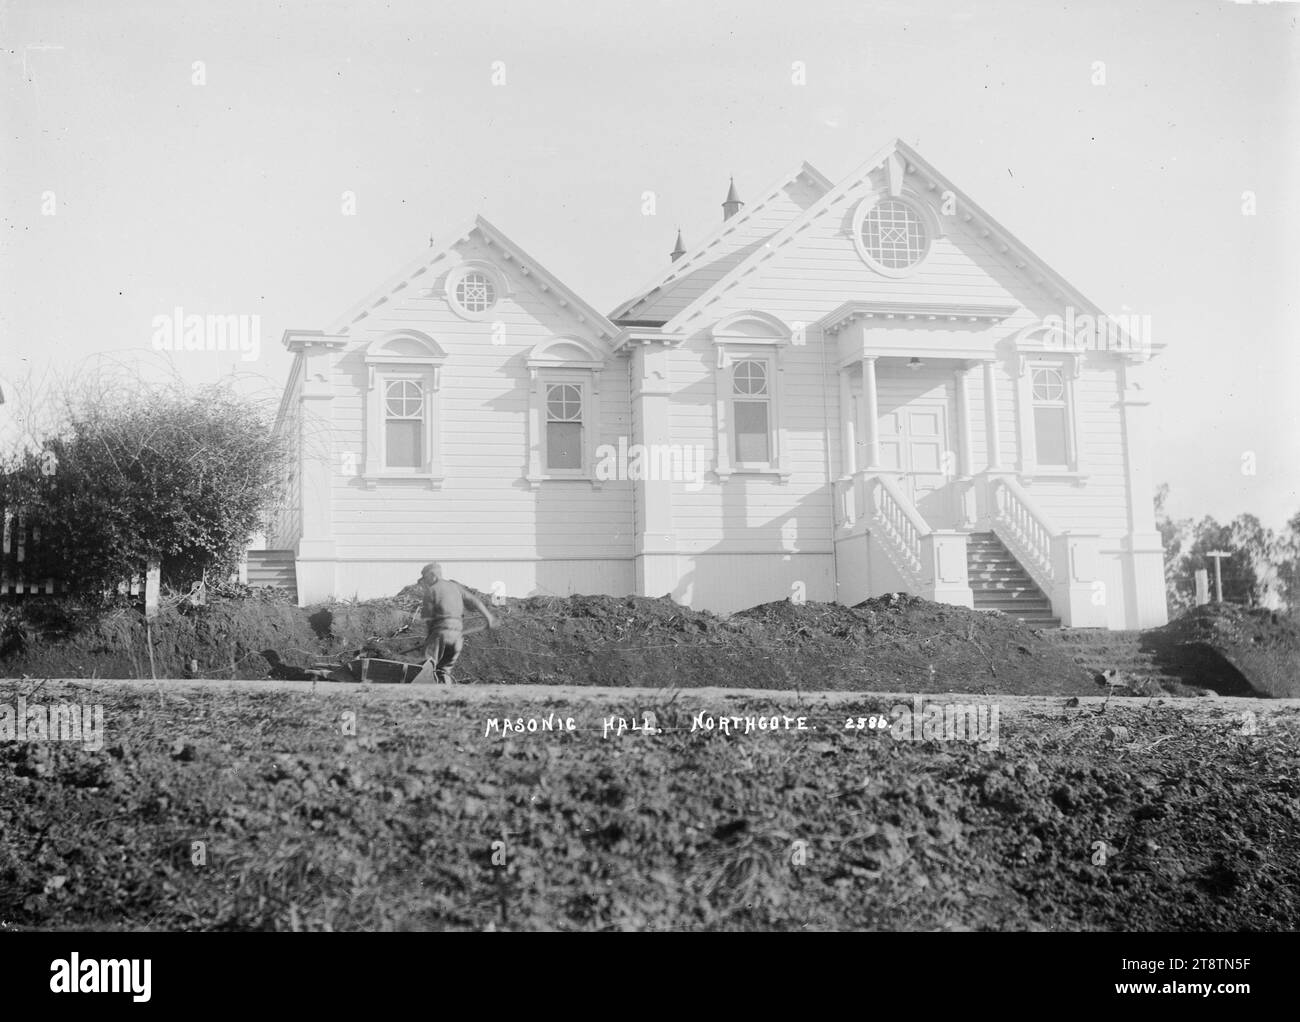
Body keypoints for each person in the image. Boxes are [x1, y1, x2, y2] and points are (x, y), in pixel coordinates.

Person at [415, 562, 498, 684]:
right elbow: (476, 602)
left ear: (432, 575)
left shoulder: (432, 590)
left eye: (425, 578)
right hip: (457, 637)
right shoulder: (455, 587)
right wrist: (489, 618)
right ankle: (447, 696)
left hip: (440, 634)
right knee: (444, 670)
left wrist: (429, 640)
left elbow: (428, 620)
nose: (425, 582)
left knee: (426, 667)